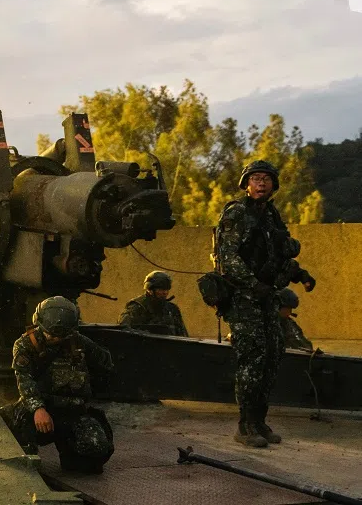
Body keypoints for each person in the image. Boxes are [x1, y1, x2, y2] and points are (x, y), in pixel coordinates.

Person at [212, 160, 316, 448]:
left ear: (273, 185)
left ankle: (259, 421)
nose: (261, 184)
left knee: (272, 356)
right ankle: (245, 426)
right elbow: (228, 258)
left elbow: (276, 255)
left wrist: (300, 274)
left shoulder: (270, 215)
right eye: (255, 179)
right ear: (246, 183)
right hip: (244, 299)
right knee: (252, 361)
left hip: (267, 296)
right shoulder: (237, 213)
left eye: (266, 179)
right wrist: (252, 284)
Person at [4, 296, 115, 473]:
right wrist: (38, 409)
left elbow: (105, 363)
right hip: (41, 410)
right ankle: (27, 452)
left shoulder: (77, 341)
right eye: (51, 335)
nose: (55, 339)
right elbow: (24, 379)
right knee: (17, 427)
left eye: (60, 336)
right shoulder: (26, 345)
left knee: (95, 452)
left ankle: (70, 453)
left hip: (72, 411)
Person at [118, 271, 189, 336]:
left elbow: (183, 335)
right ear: (150, 290)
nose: (165, 292)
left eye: (167, 289)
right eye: (161, 289)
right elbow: (124, 330)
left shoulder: (172, 309)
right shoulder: (137, 307)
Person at [275, 288, 314, 352]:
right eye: (288, 308)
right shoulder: (261, 321)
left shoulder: (287, 322)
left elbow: (303, 345)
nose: (290, 312)